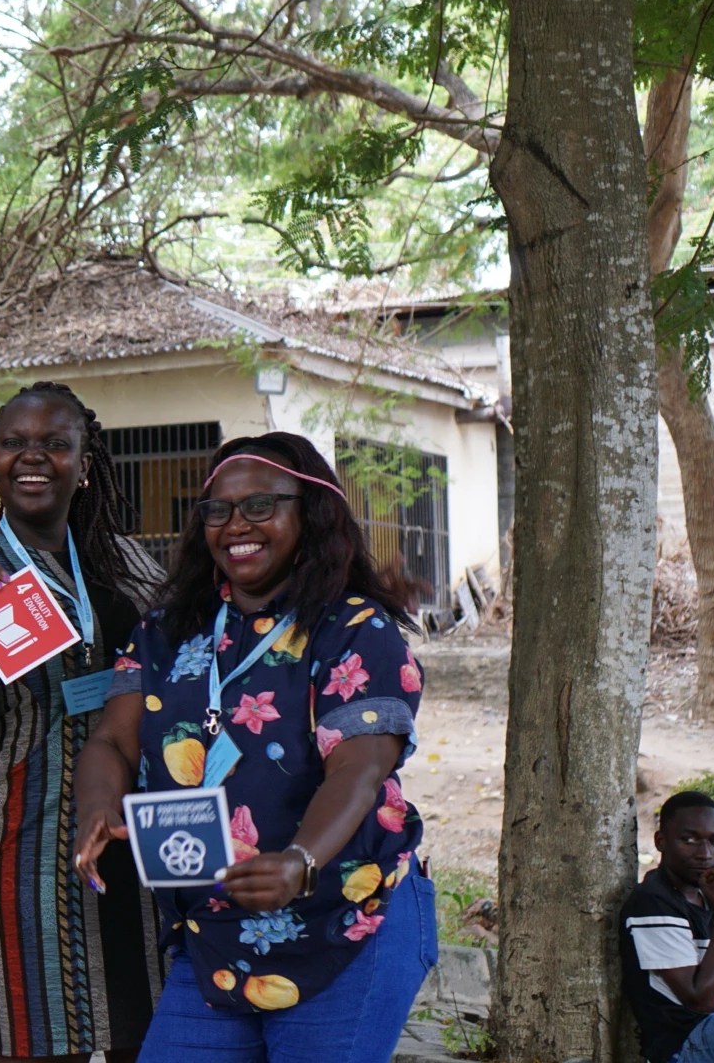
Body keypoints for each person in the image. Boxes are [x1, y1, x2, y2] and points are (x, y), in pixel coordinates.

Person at [71, 432, 436, 1062]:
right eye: (218, 510)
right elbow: (111, 737)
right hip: (213, 939)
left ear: (309, 513)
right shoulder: (165, 631)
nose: (236, 524)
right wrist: (99, 805)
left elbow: (359, 769)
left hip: (345, 923)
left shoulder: (355, 629)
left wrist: (299, 858)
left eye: (261, 506)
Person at [0, 383, 163, 1063]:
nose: (33, 458)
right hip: (22, 848)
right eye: (13, 444)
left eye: (55, 445)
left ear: (85, 463)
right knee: (38, 1042)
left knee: (139, 1036)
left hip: (131, 841)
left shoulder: (128, 563)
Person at [621, 790, 714, 1063]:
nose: (705, 854)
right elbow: (700, 1001)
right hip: (685, 1044)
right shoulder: (653, 901)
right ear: (661, 841)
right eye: (689, 840)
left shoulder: (711, 897)